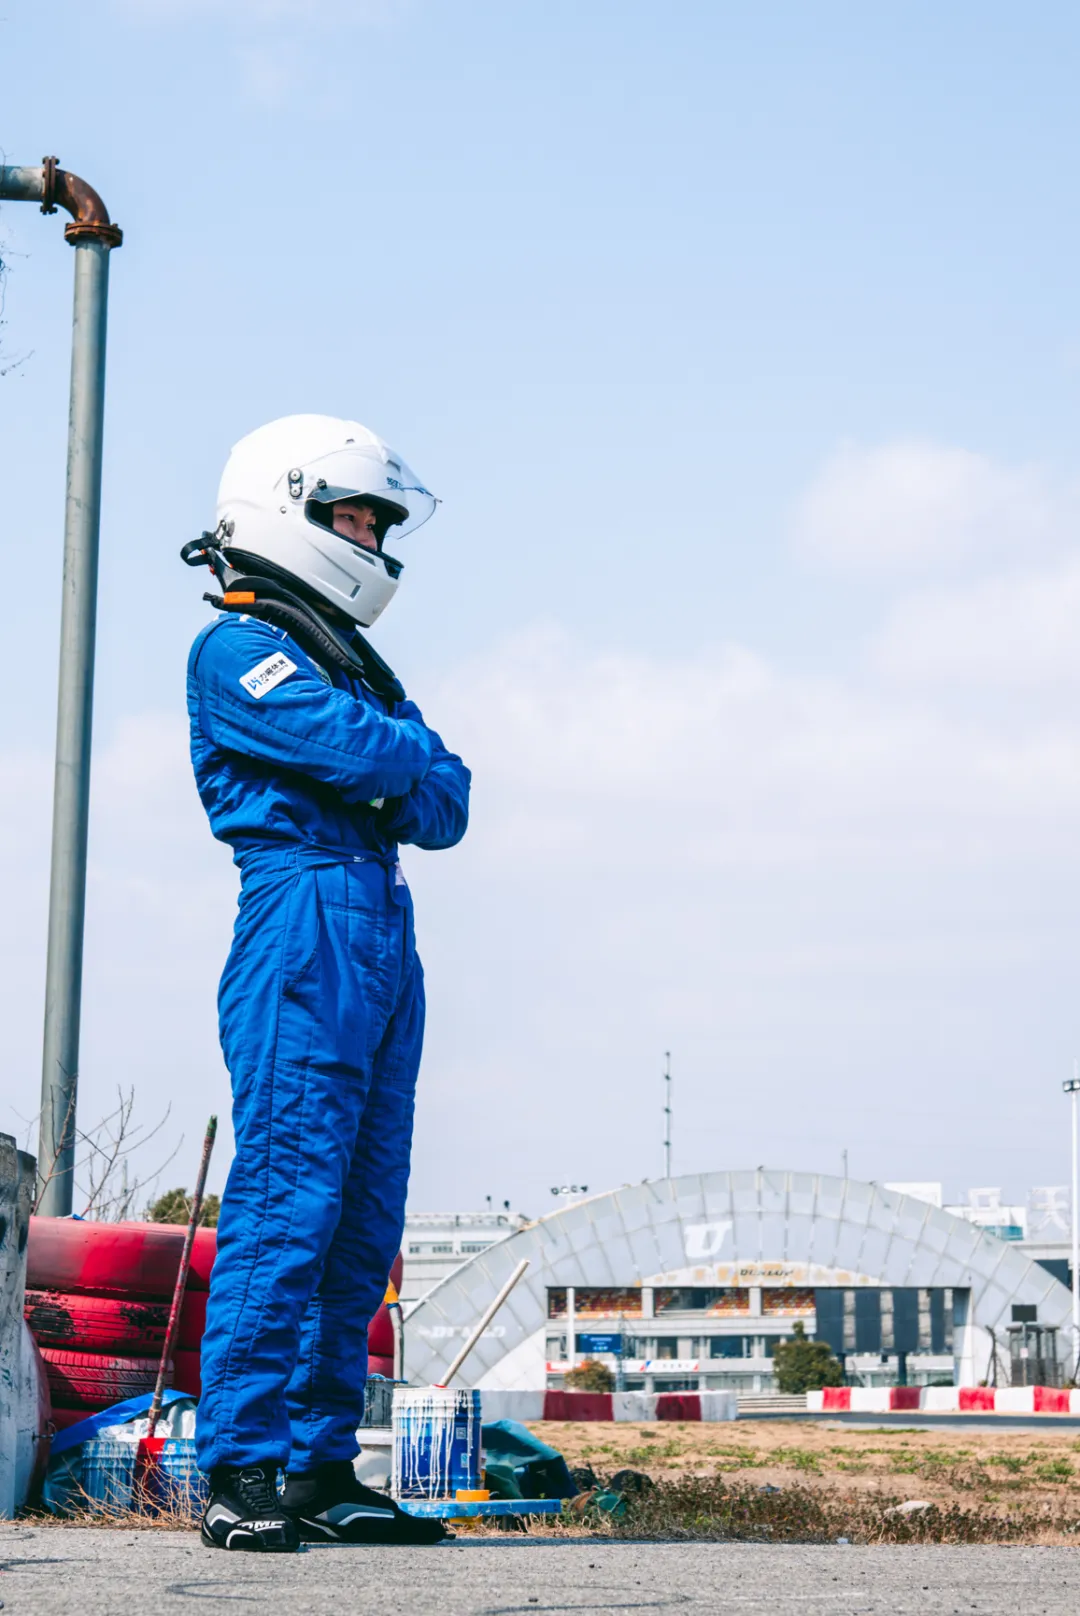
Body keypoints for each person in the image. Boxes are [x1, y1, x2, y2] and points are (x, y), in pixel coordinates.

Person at [181, 415, 470, 1552]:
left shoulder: (352, 661)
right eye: (353, 517)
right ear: (288, 504)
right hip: (301, 914)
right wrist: (393, 761)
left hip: (381, 922)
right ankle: (239, 1466)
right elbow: (372, 753)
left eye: (377, 523)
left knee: (362, 1217)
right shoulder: (236, 647)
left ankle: (317, 1468)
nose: (370, 539)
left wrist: (389, 763)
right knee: (288, 1197)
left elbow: (446, 802)